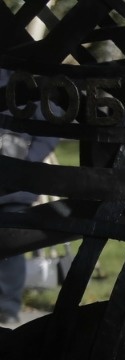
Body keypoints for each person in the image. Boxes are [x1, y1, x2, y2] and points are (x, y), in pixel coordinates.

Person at [0, 69, 59, 326]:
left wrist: (26, 164)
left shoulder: (27, 81)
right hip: (17, 178)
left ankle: (6, 307)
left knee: (9, 246)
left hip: (15, 185)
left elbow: (49, 129)